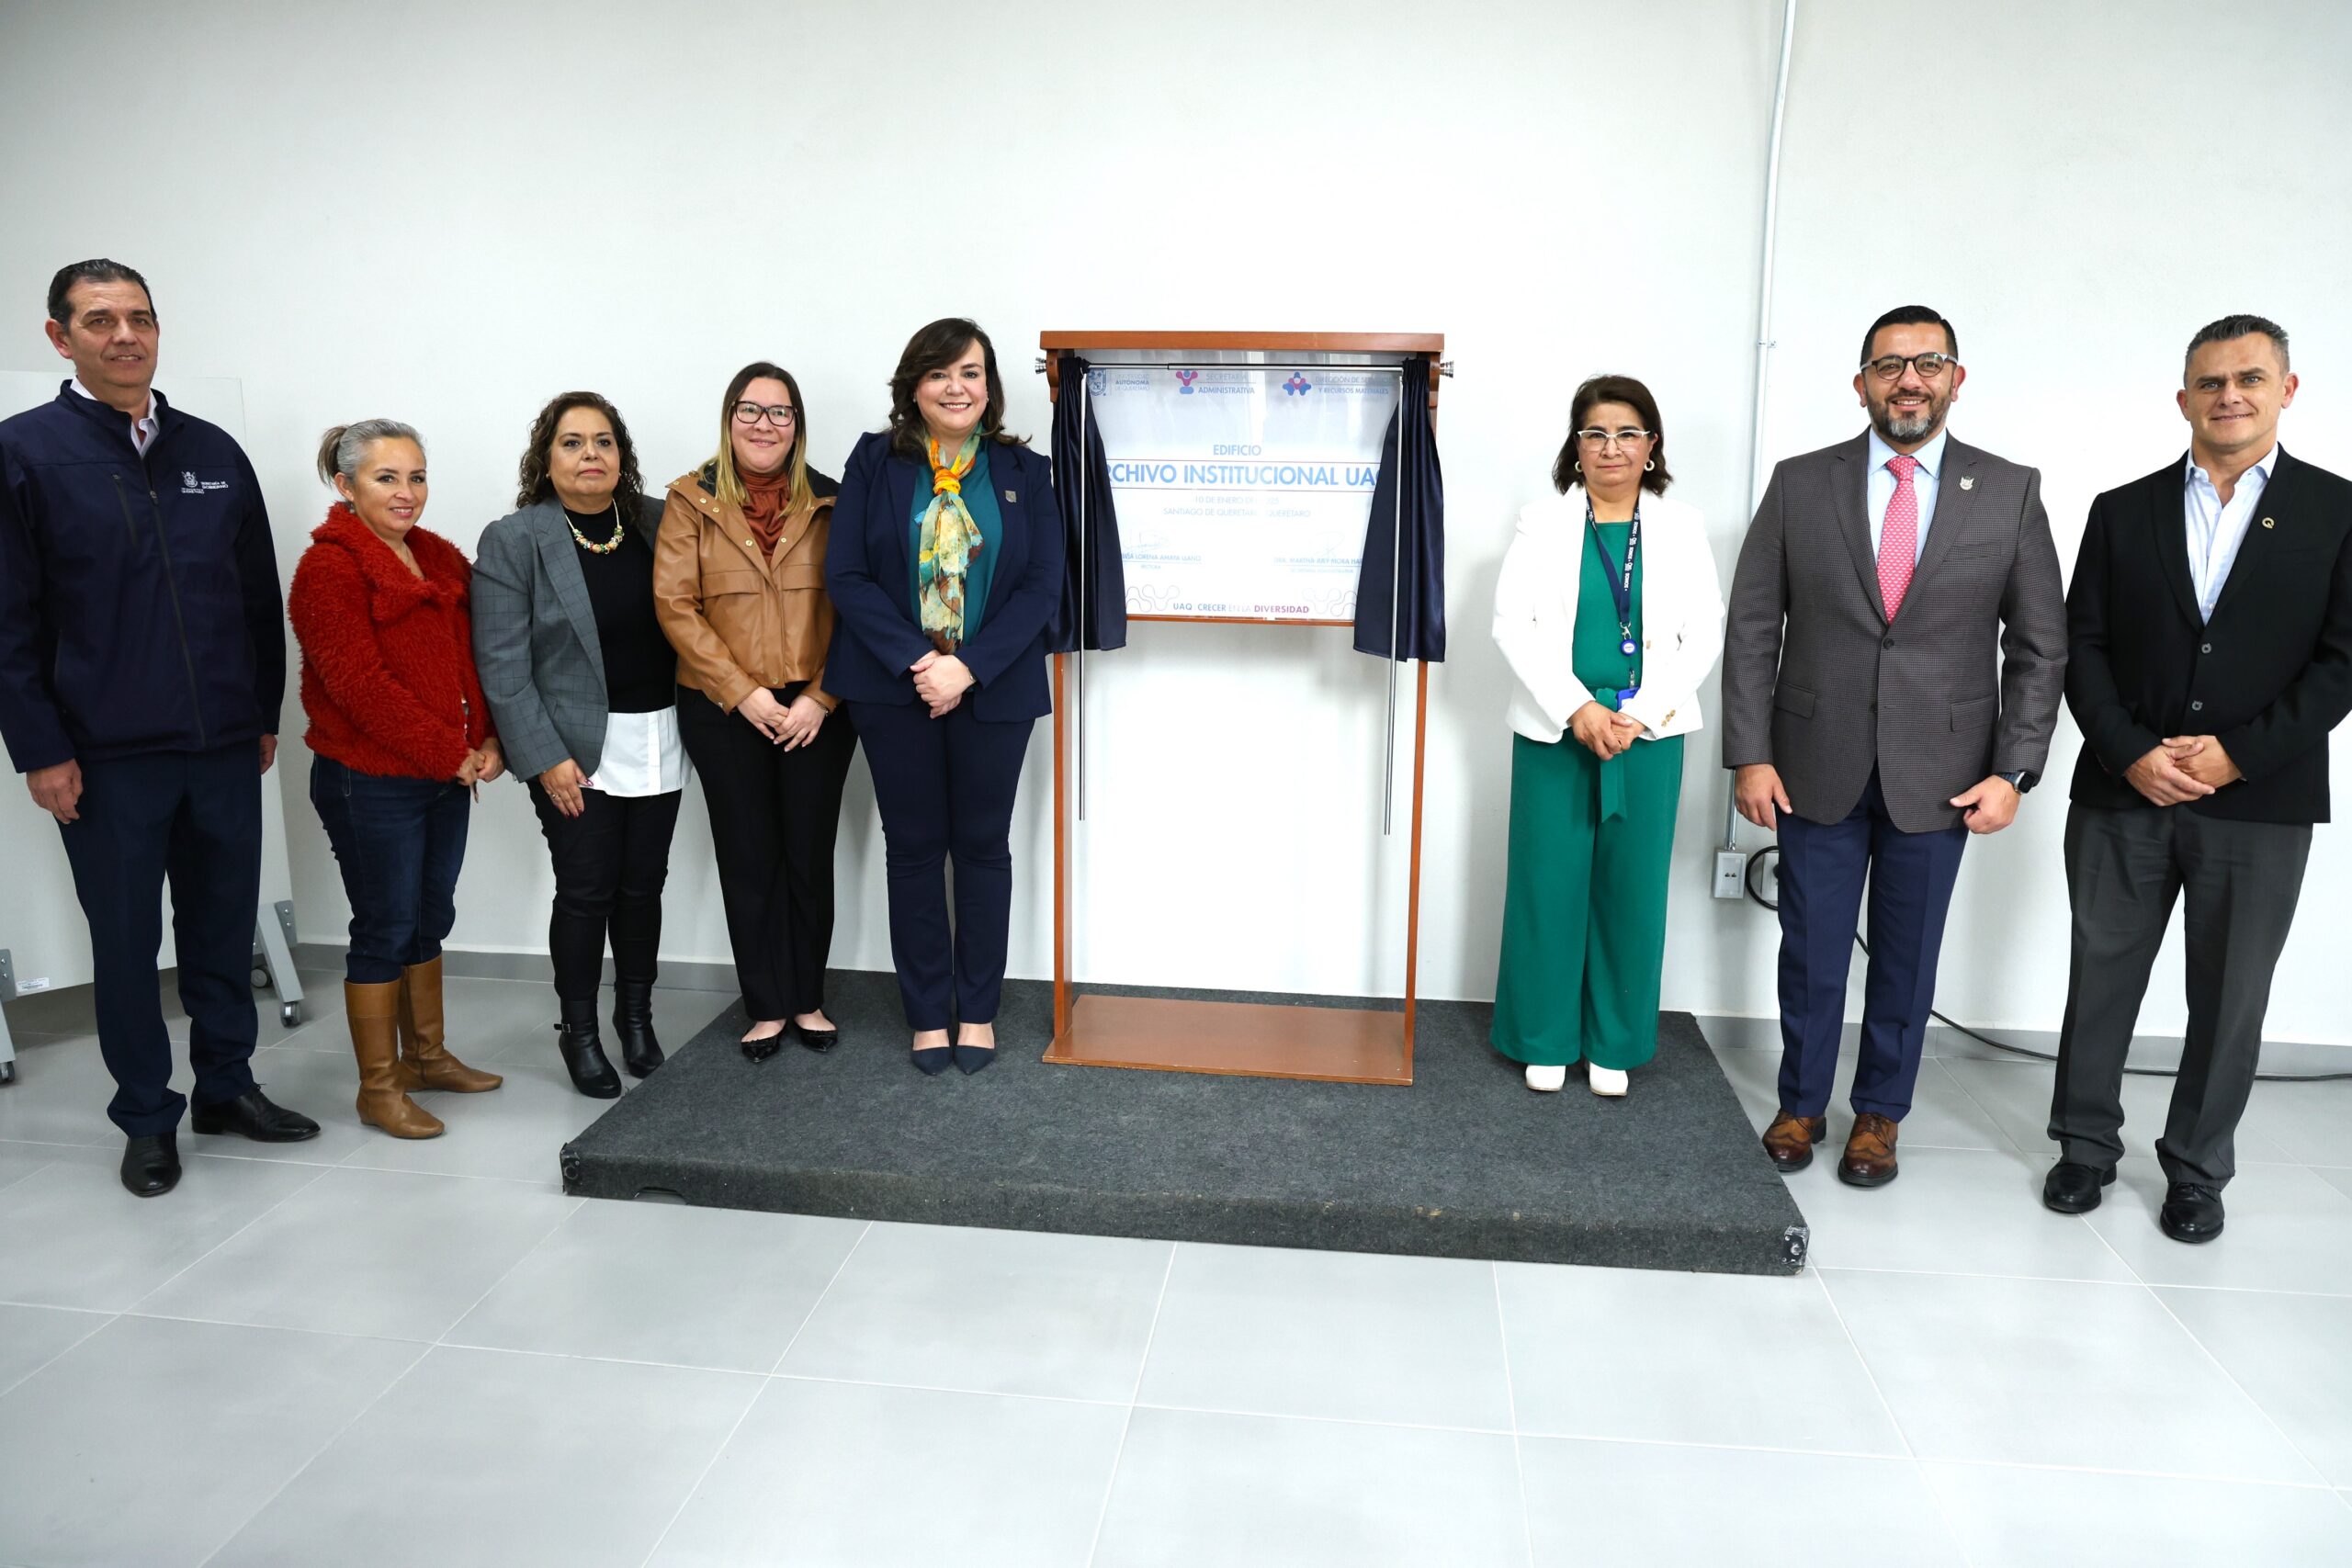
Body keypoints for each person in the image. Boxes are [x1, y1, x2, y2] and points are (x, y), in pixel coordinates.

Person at [1722, 305, 2066, 1186]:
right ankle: (1801, 1102)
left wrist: (2013, 769)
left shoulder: (2010, 489)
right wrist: (1749, 753)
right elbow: (1756, 624)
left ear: (1956, 377)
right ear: (1861, 383)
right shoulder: (1802, 483)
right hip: (1811, 764)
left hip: (1945, 774)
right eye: (1889, 365)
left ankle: (1880, 1113)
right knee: (1812, 947)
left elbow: (2038, 646)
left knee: (1909, 958)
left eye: (1928, 362)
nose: (1908, 379)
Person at [0, 259, 317, 1196]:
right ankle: (147, 1116)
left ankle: (227, 1086)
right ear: (60, 338)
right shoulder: (25, 454)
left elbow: (258, 601)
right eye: (100, 320)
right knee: (128, 944)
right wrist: (42, 750)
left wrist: (260, 716)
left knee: (223, 928)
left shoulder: (213, 451)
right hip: (105, 757)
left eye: (139, 317)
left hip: (221, 743)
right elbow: (9, 624)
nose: (125, 335)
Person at [2045, 314, 2352, 1242]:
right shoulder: (2119, 508)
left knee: (2230, 994)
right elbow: (2079, 646)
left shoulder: (2338, 512)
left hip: (2260, 801)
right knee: (2101, 976)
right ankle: (2083, 1148)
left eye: (2248, 379)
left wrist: (2237, 753)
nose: (2228, 396)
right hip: (2120, 788)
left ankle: (2195, 1170)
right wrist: (2129, 749)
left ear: (2285, 391)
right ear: (2182, 398)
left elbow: (2341, 663)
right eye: (2210, 382)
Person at [824, 319, 1062, 1075]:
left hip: (994, 689)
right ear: (913, 387)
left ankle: (979, 1010)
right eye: (938, 374)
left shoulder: (1028, 470)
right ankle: (928, 1013)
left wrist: (970, 666)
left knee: (984, 848)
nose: (955, 387)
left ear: (989, 387)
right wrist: (919, 661)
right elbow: (847, 576)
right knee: (915, 848)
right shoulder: (874, 461)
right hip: (895, 690)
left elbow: (1041, 586)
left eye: (970, 372)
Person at [1491, 376, 1724, 1097]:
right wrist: (1575, 709)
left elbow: (1703, 631)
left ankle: (1615, 1042)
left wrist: (1642, 712)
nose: (1611, 447)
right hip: (1556, 732)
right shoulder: (1542, 522)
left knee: (1632, 887)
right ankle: (1545, 1037)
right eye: (1595, 433)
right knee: (1548, 883)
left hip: (1647, 737)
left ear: (1651, 446)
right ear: (1576, 446)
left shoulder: (1682, 526)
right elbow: (1513, 626)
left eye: (1627, 433)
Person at [290, 422, 505, 1138]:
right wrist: (448, 750)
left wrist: (488, 740)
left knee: (428, 915)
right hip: (370, 780)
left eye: (416, 476)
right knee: (383, 925)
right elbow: (360, 686)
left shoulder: (437, 556)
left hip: (446, 775)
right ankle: (378, 1088)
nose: (406, 492)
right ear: (346, 486)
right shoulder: (328, 569)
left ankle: (428, 1056)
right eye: (387, 478)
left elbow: (473, 656)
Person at [474, 392, 678, 1098]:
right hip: (570, 747)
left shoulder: (656, 521)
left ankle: (637, 1019)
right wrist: (545, 756)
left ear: (622, 454)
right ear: (546, 456)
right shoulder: (516, 537)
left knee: (643, 886)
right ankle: (581, 1031)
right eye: (572, 442)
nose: (590, 455)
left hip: (660, 735)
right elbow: (501, 663)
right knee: (587, 888)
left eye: (603, 441)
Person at [655, 364, 855, 1063]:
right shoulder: (689, 499)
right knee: (748, 855)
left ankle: (807, 997)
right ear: (728, 418)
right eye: (750, 410)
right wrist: (742, 691)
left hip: (816, 708)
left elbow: (857, 603)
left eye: (779, 412)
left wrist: (822, 697)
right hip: (721, 704)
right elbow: (675, 604)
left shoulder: (834, 498)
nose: (763, 424)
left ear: (798, 423)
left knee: (808, 851)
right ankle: (765, 1004)